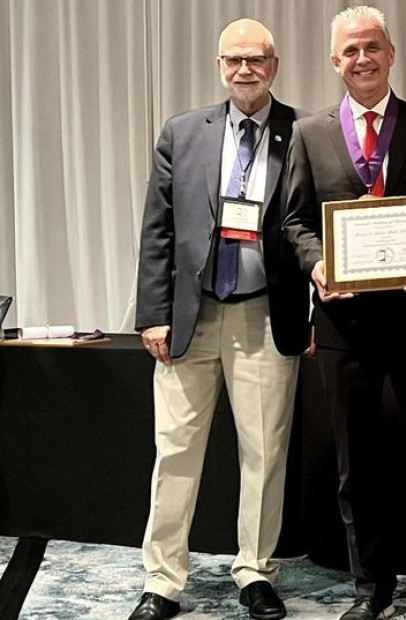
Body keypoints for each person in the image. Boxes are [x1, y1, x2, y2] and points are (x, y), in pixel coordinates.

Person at [282, 7, 406, 620]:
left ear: (392, 53)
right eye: (350, 51)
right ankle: (371, 590)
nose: (362, 59)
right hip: (344, 329)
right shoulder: (310, 133)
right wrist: (317, 266)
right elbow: (295, 220)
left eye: (372, 48)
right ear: (334, 62)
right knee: (355, 466)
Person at [131, 18, 308, 620]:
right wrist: (152, 315)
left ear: (274, 64)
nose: (243, 70)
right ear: (218, 65)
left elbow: (308, 227)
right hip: (190, 317)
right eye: (232, 60)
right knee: (175, 451)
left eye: (254, 59)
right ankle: (162, 581)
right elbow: (157, 232)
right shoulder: (182, 133)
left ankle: (255, 571)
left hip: (265, 316)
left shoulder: (302, 131)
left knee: (264, 454)